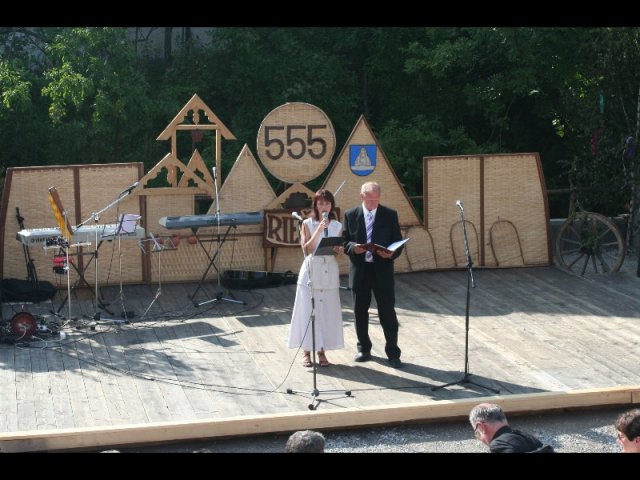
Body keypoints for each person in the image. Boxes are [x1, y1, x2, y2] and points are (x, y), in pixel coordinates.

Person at [342, 181, 404, 369]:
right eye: (370, 200)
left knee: (387, 311)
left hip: (382, 269)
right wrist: (354, 248)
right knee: (360, 310)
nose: (373, 203)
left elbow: (398, 241)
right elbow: (344, 242)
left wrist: (391, 253)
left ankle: (393, 352)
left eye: (376, 200)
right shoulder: (351, 215)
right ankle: (364, 348)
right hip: (360, 270)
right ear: (362, 196)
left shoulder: (389, 214)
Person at [288, 189, 345, 367]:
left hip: (329, 270)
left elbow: (337, 252)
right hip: (311, 270)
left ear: (331, 205)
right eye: (320, 203)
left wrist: (339, 250)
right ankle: (306, 352)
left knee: (326, 312)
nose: (324, 206)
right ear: (315, 205)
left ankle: (322, 350)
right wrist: (319, 230)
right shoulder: (306, 223)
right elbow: (306, 249)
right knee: (308, 311)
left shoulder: (337, 226)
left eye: (327, 203)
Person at [469, 403, 554, 453]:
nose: (479, 439)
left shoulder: (499, 445)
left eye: (477, 432)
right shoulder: (529, 438)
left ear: (481, 427)